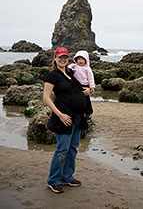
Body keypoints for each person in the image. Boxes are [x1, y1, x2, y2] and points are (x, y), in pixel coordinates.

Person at [43, 47, 90, 194]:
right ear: (55, 59)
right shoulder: (52, 75)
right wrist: (60, 115)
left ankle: (67, 176)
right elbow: (46, 98)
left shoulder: (71, 72)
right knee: (62, 149)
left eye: (65, 57)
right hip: (64, 118)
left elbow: (82, 85)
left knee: (73, 148)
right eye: (60, 57)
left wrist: (89, 90)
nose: (63, 60)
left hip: (76, 117)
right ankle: (54, 180)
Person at [68, 50, 95, 120]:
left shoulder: (87, 69)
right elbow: (68, 68)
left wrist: (92, 87)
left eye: (83, 59)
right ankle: (79, 112)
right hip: (76, 85)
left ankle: (89, 112)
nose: (81, 61)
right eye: (79, 59)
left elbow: (90, 78)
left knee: (86, 99)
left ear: (86, 60)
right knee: (78, 99)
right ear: (76, 59)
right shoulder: (74, 66)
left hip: (84, 85)